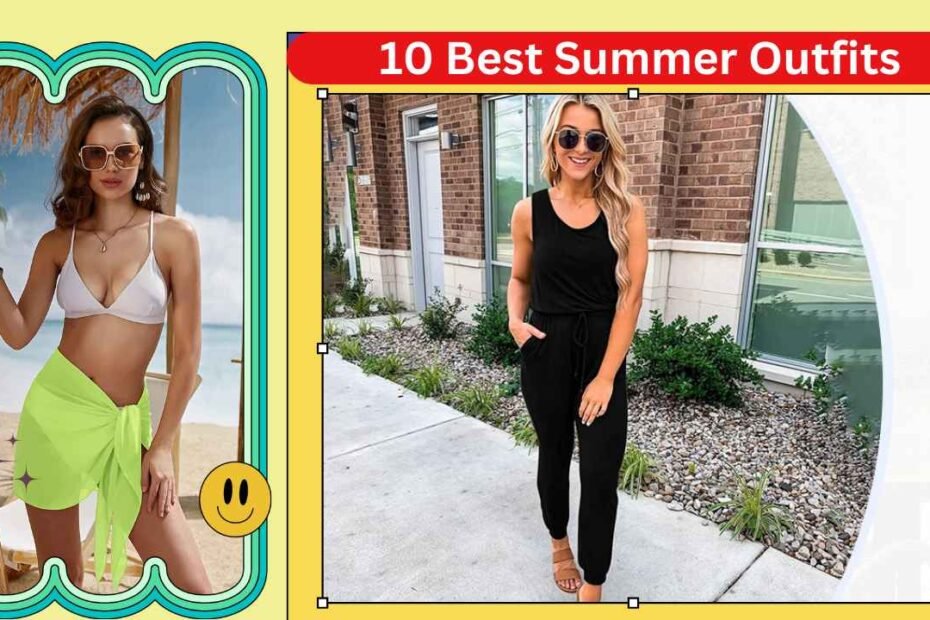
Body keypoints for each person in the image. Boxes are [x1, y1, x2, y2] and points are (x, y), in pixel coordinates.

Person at [0, 95, 212, 594]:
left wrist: (160, 448)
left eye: (125, 152)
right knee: (63, 582)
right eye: (97, 154)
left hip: (124, 430)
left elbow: (187, 357)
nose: (111, 166)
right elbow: (17, 331)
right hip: (52, 418)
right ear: (81, 162)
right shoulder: (58, 242)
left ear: (143, 156)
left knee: (194, 587)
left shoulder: (176, 237)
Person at [508, 94, 648, 603]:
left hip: (601, 354)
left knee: (600, 470)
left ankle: (594, 581)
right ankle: (558, 542)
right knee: (555, 452)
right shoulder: (529, 211)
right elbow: (520, 278)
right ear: (554, 142)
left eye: (593, 138)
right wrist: (514, 323)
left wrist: (607, 375)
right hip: (546, 350)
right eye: (569, 136)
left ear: (605, 146)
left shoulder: (627, 210)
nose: (581, 148)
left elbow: (630, 298)